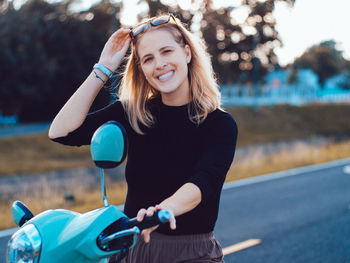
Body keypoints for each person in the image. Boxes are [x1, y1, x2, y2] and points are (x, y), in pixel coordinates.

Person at [48, 13, 238, 263]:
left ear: (187, 54)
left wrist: (164, 209)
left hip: (191, 254)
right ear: (142, 69)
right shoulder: (133, 113)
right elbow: (61, 132)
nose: (159, 64)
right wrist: (103, 68)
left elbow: (203, 183)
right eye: (148, 59)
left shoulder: (220, 124)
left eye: (167, 51)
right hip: (131, 249)